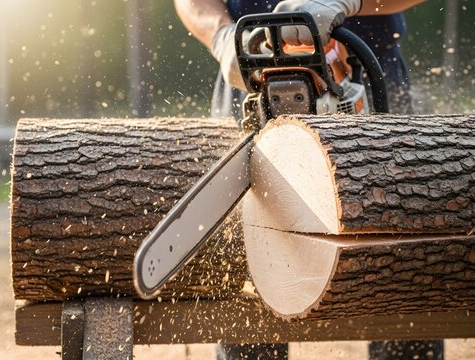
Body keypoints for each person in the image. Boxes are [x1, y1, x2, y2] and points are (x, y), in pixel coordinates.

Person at [175, 1, 442, 359]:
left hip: (366, 61)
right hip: (252, 66)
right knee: (247, 270)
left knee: (399, 259)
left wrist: (348, 2)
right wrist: (222, 37)